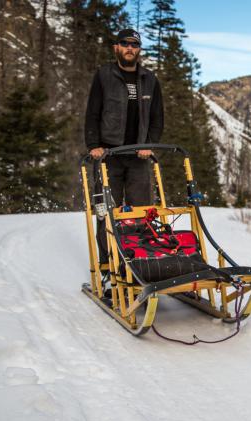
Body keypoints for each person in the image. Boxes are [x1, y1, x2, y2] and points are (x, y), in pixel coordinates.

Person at [85, 28, 164, 266]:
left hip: (138, 157)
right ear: (116, 47)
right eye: (125, 44)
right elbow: (93, 112)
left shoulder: (150, 79)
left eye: (134, 45)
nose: (130, 48)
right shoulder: (104, 75)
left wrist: (148, 145)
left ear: (139, 50)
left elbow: (157, 118)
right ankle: (108, 266)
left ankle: (140, 262)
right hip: (108, 155)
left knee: (142, 212)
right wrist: (94, 145)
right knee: (106, 212)